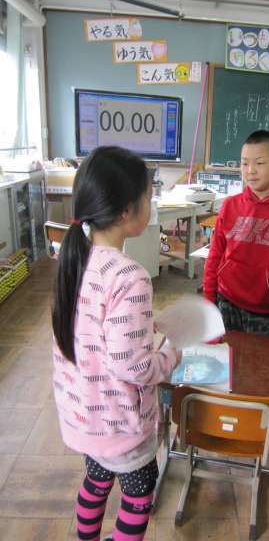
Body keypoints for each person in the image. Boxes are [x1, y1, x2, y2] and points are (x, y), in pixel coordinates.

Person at [51, 146, 180, 541]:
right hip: (119, 421)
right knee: (139, 496)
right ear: (126, 211)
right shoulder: (130, 276)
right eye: (148, 196)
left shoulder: (76, 259)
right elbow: (133, 367)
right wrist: (171, 354)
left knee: (96, 480)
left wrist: (143, 326)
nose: (151, 204)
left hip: (83, 413)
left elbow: (92, 328)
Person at [203, 130, 269, 337]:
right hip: (226, 301)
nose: (250, 171)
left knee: (259, 358)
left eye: (259, 163)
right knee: (225, 354)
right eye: (244, 163)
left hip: (265, 311)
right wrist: (209, 299)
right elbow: (214, 255)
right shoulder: (230, 205)